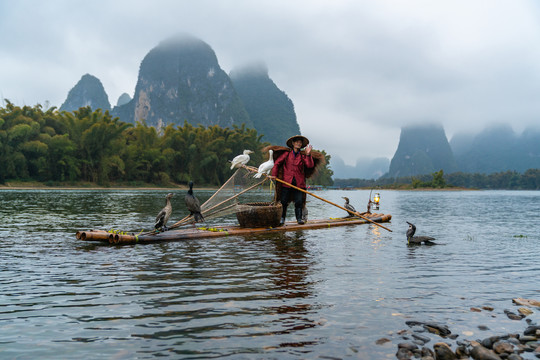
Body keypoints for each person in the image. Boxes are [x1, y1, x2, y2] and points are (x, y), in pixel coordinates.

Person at [269, 135, 314, 225]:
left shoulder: (303, 156)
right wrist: (274, 175)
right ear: (293, 143)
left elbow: (310, 165)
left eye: (300, 142)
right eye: (297, 142)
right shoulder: (286, 154)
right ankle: (282, 218)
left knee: (298, 202)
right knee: (284, 202)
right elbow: (277, 164)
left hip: (299, 183)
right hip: (286, 182)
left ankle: (299, 219)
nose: (298, 143)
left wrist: (308, 154)